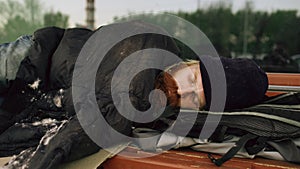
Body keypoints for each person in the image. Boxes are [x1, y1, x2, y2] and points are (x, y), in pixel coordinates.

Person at [0, 20, 268, 168]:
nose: (181, 89)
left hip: (38, 85)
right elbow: (93, 123)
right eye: (192, 78)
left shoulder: (153, 104)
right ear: (191, 64)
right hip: (32, 57)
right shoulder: (154, 44)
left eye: (194, 98)